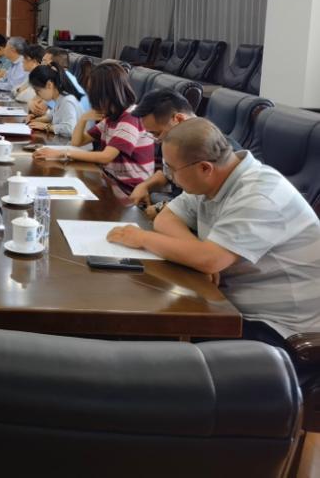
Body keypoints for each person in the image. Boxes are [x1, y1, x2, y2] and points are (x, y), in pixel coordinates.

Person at [107, 118, 320, 346]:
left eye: (172, 169)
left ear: (204, 168)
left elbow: (211, 260)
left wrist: (142, 238)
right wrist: (199, 255)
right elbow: (166, 218)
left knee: (139, 335)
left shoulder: (261, 194)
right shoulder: (213, 180)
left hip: (279, 325)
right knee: (133, 319)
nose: (170, 177)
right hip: (228, 302)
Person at [34, 61, 154, 193]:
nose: (91, 97)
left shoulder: (130, 117)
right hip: (110, 181)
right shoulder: (113, 115)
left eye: (93, 92)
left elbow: (105, 157)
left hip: (128, 189)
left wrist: (62, 153)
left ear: (107, 93)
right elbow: (77, 142)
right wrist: (83, 119)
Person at [128, 89, 241, 219]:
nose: (157, 140)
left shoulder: (218, 151)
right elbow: (168, 174)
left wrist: (163, 208)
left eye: (157, 133)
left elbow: (206, 202)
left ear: (178, 119)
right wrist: (144, 186)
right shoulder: (176, 142)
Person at [26, 62, 85, 138]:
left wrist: (46, 126)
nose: (37, 95)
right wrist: (35, 120)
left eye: (38, 91)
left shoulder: (67, 101)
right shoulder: (59, 99)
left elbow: (70, 128)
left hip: (74, 144)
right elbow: (51, 116)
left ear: (49, 85)